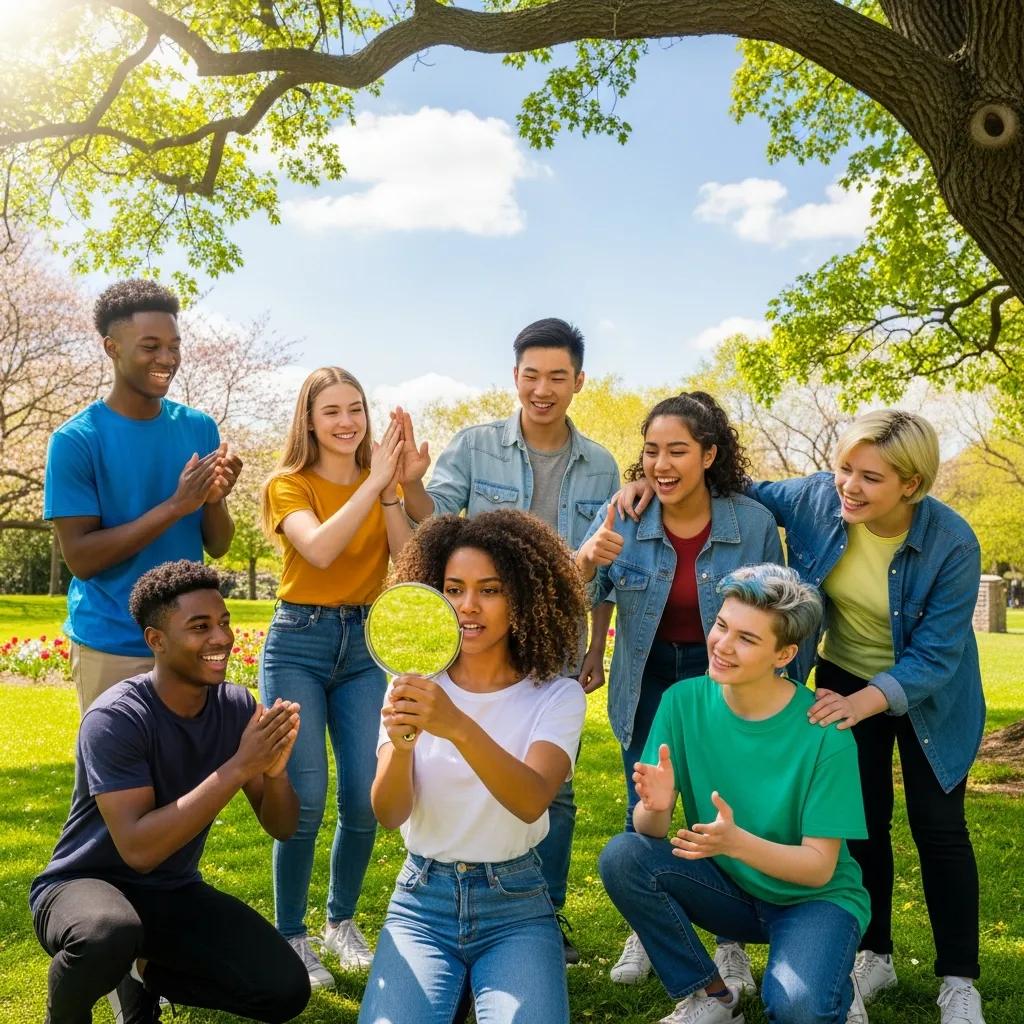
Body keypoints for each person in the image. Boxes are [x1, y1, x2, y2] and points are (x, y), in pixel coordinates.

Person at [745, 411, 987, 1024]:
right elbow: (736, 487)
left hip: (933, 691)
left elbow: (936, 654)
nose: (849, 487)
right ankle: (875, 954)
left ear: (911, 484)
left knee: (939, 827)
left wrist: (865, 702)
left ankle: (959, 980)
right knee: (861, 823)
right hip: (845, 675)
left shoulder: (953, 542)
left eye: (870, 478)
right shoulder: (815, 498)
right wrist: (646, 482)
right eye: (844, 468)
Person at [399, 317, 619, 960]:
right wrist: (410, 483)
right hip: (478, 627)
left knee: (556, 784)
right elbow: (435, 525)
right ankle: (448, 888)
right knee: (458, 748)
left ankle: (542, 910)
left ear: (579, 381)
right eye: (531, 375)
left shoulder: (601, 465)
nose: (542, 389)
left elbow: (603, 569)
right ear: (515, 377)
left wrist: (595, 647)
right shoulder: (476, 446)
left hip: (555, 635)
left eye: (557, 376)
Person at [29, 560, 310, 1024]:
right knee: (107, 933)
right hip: (83, 886)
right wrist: (240, 766)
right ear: (156, 640)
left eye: (224, 622)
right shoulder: (116, 719)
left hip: (170, 891)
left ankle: (140, 973)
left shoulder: (236, 707)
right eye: (200, 627)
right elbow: (139, 850)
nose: (221, 638)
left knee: (284, 989)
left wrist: (275, 773)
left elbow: (282, 827)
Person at [599, 564, 870, 1024]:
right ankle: (711, 996)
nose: (722, 645)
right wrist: (654, 807)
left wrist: (734, 842)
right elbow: (650, 831)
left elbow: (818, 868)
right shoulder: (681, 701)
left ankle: (831, 976)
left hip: (813, 900)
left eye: (746, 638)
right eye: (722, 625)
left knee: (799, 1008)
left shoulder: (826, 732)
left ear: (784, 654)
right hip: (730, 890)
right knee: (624, 856)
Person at [575, 392, 784, 987]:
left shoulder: (752, 523)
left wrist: (780, 698)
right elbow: (579, 591)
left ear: (709, 455)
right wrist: (587, 559)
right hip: (646, 671)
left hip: (724, 676)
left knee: (723, 802)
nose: (661, 465)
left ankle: (729, 943)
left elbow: (779, 612)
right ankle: (648, 930)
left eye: (677, 451)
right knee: (644, 799)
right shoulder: (625, 514)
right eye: (651, 451)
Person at [359, 509, 588, 1024]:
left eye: (490, 590)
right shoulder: (412, 685)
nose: (468, 605)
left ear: (523, 597)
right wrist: (401, 747)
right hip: (422, 903)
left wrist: (456, 725)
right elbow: (390, 814)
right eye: (454, 589)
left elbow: (531, 800)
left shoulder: (556, 696)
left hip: (516, 905)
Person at [258, 367, 413, 989]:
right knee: (305, 798)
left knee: (363, 796)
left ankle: (339, 922)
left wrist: (391, 490)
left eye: (356, 409)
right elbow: (318, 549)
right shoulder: (287, 484)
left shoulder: (380, 482)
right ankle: (290, 934)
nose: (347, 422)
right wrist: (373, 481)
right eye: (332, 411)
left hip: (365, 644)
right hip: (299, 642)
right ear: (310, 420)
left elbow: (406, 561)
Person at [44, 279, 242, 714]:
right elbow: (81, 558)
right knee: (115, 760)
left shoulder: (199, 428)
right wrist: (176, 506)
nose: (167, 359)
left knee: (192, 758)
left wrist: (213, 498)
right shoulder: (76, 440)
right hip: (112, 642)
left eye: (174, 346)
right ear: (111, 347)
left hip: (188, 644)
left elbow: (218, 544)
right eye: (150, 346)